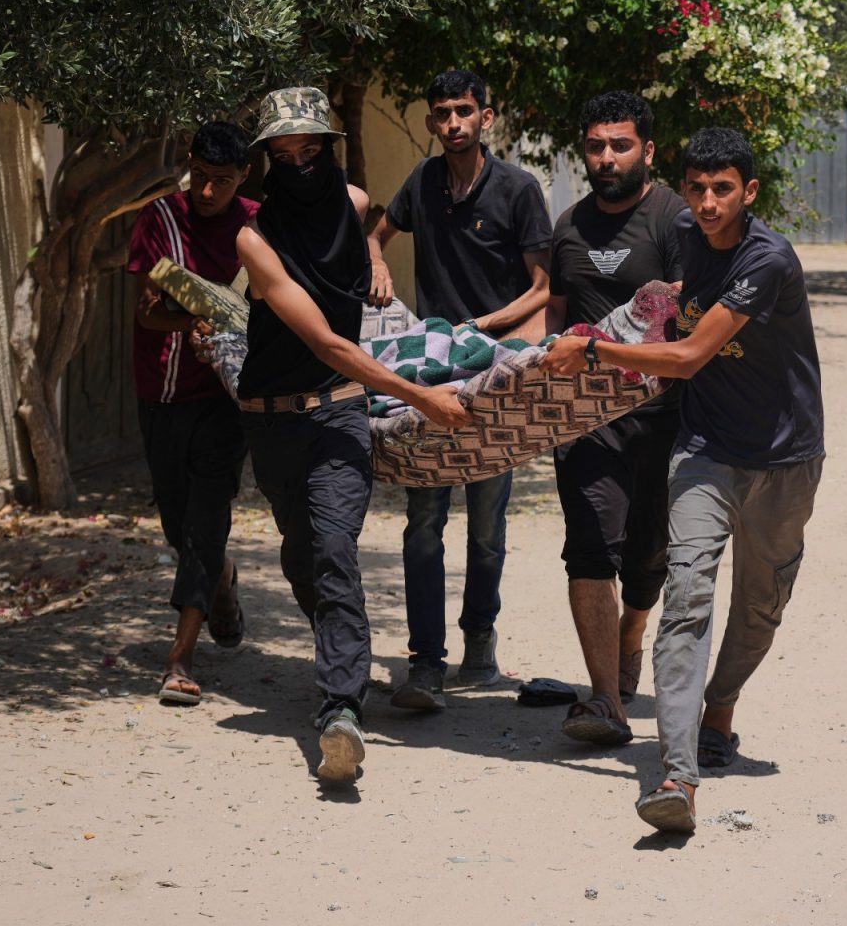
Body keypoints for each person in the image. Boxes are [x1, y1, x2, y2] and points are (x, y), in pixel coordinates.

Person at [545, 127, 826, 834]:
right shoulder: (682, 234)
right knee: (686, 601)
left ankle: (720, 710)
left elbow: (694, 353)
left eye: (721, 189)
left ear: (749, 192)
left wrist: (592, 350)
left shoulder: (768, 259)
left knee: (759, 606)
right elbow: (673, 300)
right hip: (704, 452)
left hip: (785, 461)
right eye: (696, 188)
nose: (706, 203)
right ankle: (677, 776)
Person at [235, 87, 472, 786]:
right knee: (303, 555)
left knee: (335, 548)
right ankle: (340, 648)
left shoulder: (357, 202)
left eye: (310, 151)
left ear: (329, 149)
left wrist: (376, 260)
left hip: (339, 411)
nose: (299, 166)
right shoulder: (254, 239)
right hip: (272, 416)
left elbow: (368, 238)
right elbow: (325, 340)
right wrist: (420, 397)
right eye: (283, 155)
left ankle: (340, 710)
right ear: (266, 161)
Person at [371, 70, 553, 710]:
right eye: (443, 112)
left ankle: (479, 639)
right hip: (429, 376)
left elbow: (541, 290)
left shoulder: (518, 189)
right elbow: (376, 233)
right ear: (432, 122)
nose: (454, 122)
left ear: (486, 118)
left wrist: (482, 325)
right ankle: (425, 663)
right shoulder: (421, 182)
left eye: (465, 111)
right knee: (423, 522)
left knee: (486, 525)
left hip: (495, 375)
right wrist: (376, 262)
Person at [544, 91, 684, 746]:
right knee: (590, 546)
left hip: (662, 417)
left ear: (647, 150)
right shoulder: (569, 226)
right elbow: (556, 308)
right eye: (596, 145)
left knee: (649, 555)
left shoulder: (674, 220)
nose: (606, 157)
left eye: (620, 145)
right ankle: (605, 700)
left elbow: (690, 312)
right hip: (584, 420)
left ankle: (633, 629)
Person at [128, 120, 258, 708]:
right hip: (162, 393)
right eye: (199, 176)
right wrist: (192, 321)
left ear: (244, 176)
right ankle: (222, 580)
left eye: (221, 181)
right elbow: (146, 313)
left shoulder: (258, 226)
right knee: (178, 524)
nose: (207, 191)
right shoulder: (158, 219)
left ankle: (179, 659)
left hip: (226, 399)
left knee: (206, 521)